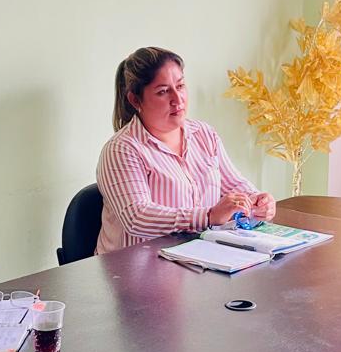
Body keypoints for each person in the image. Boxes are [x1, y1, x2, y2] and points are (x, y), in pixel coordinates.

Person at [96, 46, 276, 253]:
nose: (177, 99)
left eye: (180, 86)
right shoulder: (121, 149)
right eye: (163, 92)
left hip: (196, 256)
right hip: (134, 266)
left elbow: (233, 184)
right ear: (135, 100)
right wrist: (208, 216)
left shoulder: (203, 134)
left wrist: (256, 201)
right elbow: (137, 217)